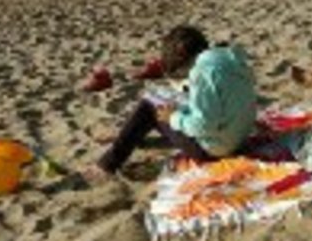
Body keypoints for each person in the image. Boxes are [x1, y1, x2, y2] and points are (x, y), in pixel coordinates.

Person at [90, 25, 258, 177]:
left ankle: (108, 164)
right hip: (239, 137)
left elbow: (203, 126)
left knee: (149, 106)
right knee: (165, 96)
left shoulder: (202, 73)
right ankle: (130, 136)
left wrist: (173, 118)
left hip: (216, 149)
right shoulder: (228, 58)